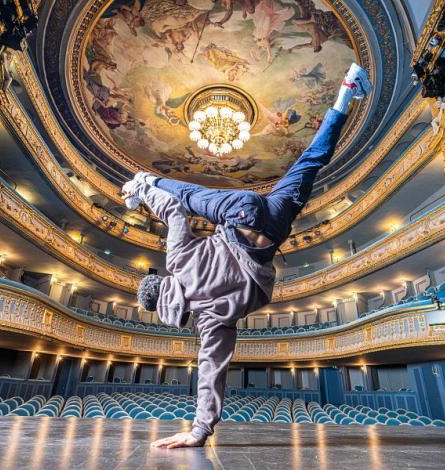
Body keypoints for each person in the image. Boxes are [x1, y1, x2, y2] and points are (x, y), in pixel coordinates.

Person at [121, 63, 372, 449]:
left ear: (162, 310)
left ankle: (347, 96)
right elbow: (173, 210)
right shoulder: (178, 264)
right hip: (244, 211)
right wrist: (148, 191)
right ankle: (347, 90)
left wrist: (198, 431)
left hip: (270, 232)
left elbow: (211, 371)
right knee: (186, 197)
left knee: (311, 163)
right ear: (159, 283)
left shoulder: (208, 321)